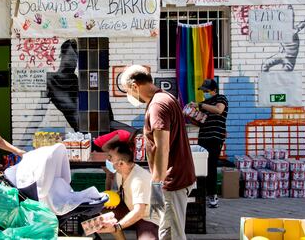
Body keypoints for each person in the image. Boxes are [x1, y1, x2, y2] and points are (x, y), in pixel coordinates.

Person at [120, 65, 196, 240]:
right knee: (166, 232)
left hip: (171, 181)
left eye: (127, 91)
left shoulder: (157, 106)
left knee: (172, 234)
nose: (129, 96)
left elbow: (163, 147)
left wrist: (156, 185)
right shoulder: (164, 97)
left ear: (134, 86)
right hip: (174, 178)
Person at [98, 139, 159, 240]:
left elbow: (139, 212)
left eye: (110, 158)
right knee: (105, 209)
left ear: (121, 163)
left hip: (149, 218)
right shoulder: (120, 173)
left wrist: (116, 227)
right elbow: (116, 194)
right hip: (132, 209)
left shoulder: (139, 179)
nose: (107, 160)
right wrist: (109, 176)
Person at [189, 79, 228, 208]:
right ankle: (202, 194)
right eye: (203, 91)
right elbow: (200, 122)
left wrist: (200, 106)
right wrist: (191, 115)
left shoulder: (221, 99)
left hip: (215, 137)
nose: (204, 93)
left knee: (211, 166)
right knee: (201, 168)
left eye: (206, 91)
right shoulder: (204, 103)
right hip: (203, 137)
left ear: (214, 90)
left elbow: (219, 110)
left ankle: (212, 195)